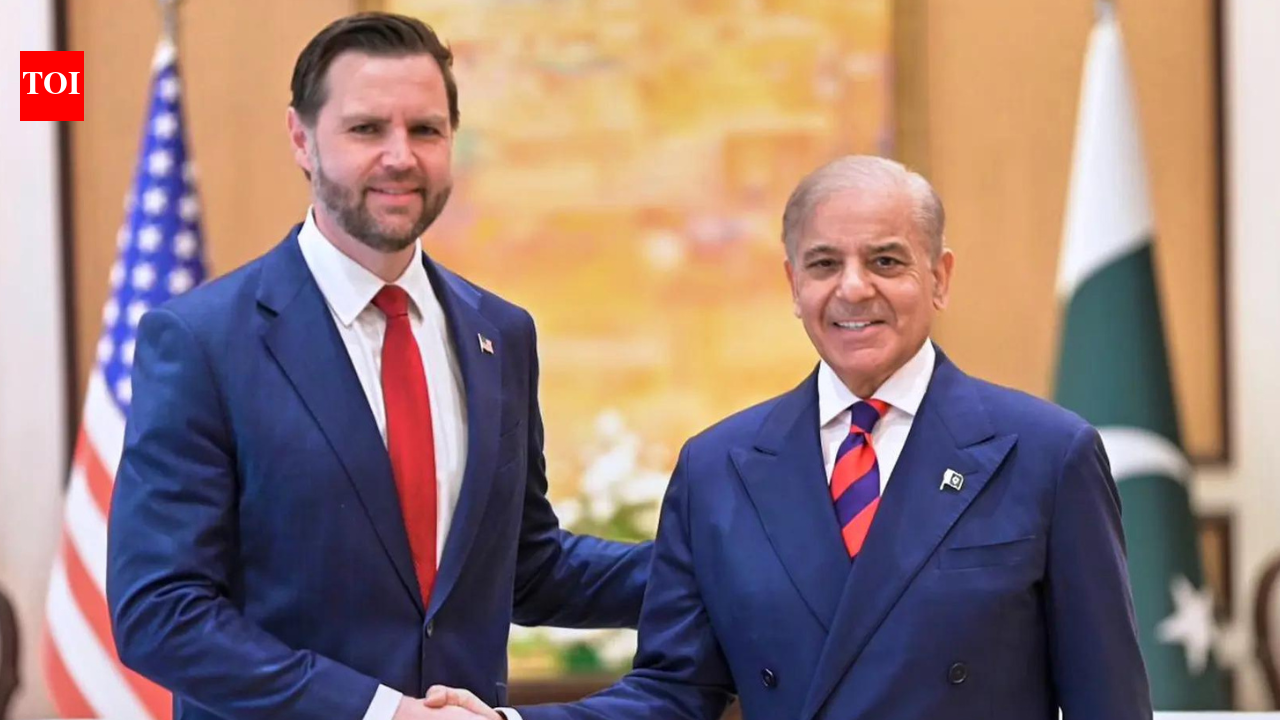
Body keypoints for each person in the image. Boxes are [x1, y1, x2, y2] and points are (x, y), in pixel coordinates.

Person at [427, 155, 1152, 720]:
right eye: (825, 263)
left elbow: (1109, 703)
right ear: (792, 284)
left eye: (887, 261)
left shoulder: (1047, 455)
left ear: (940, 277)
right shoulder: (718, 468)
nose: (853, 288)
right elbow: (673, 694)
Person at [106, 12, 651, 720]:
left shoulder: (501, 334)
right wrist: (378, 711)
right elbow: (159, 611)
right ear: (301, 139)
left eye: (425, 130)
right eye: (366, 129)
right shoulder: (203, 341)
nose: (401, 157)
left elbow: (526, 568)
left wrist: (718, 568)